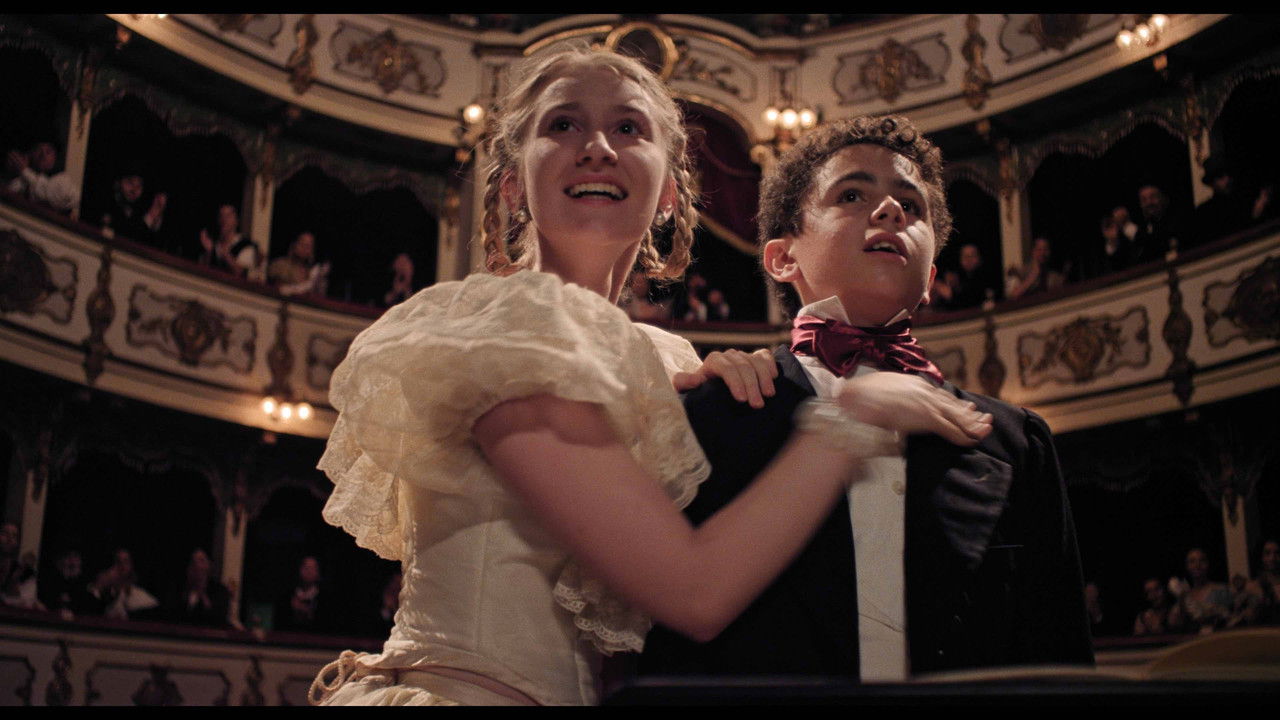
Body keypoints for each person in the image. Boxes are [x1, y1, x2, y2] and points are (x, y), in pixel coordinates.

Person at [308, 48, 990, 706]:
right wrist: (853, 414)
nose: (597, 147)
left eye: (629, 128)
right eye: (563, 124)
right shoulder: (501, 326)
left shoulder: (667, 361)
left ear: (668, 193)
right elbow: (694, 592)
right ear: (512, 181)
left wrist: (719, 394)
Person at [639, 114, 1093, 683]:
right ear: (783, 259)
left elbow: (1058, 662)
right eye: (852, 195)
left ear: (931, 274)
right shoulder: (714, 412)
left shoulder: (1015, 443)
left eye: (913, 205)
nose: (891, 210)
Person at [89, 171, 168, 247]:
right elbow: (124, 237)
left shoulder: (137, 209)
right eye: (130, 183)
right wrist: (149, 217)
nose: (134, 190)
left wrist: (155, 215)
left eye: (139, 186)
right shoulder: (106, 203)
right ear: (118, 183)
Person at [1168, 547, 1235, 634]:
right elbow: (1173, 623)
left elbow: (1227, 618)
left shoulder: (1221, 590)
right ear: (1187, 566)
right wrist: (1181, 598)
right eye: (1192, 561)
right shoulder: (1185, 594)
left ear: (1208, 564)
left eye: (1202, 560)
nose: (1197, 565)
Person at [5, 140, 80, 216]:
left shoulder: (63, 179)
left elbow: (48, 194)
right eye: (38, 150)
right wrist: (14, 173)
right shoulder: (24, 179)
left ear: (54, 157)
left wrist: (25, 171)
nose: (43, 155)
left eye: (48, 152)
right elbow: (8, 194)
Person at [163, 548, 231, 628]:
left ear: (209, 565)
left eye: (201, 561)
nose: (197, 565)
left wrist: (202, 594)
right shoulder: (179, 588)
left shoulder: (219, 591)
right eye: (193, 562)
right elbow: (169, 614)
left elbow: (219, 618)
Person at [89, 547, 160, 620]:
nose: (121, 566)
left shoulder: (141, 597)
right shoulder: (97, 590)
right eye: (118, 561)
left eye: (126, 562)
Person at [198, 204, 263, 280]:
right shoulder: (214, 244)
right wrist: (209, 252)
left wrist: (225, 254)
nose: (224, 220)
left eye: (228, 216)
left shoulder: (246, 245)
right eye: (221, 216)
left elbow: (240, 273)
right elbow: (203, 271)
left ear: (236, 221)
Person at [932, 242, 996, 309]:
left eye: (972, 255)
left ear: (980, 258)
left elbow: (970, 302)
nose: (968, 260)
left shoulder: (984, 278)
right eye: (965, 256)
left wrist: (949, 294)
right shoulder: (962, 276)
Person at [38, 548, 97, 619]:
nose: (72, 561)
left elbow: (88, 605)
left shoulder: (86, 584)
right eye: (68, 557)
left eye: (75, 557)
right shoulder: (53, 581)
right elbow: (48, 601)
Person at [268, 230, 330, 297]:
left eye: (308, 246)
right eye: (302, 243)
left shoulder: (312, 273)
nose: (304, 248)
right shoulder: (280, 264)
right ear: (294, 244)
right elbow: (278, 289)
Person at [1078, 211, 1132, 281]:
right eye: (1107, 227)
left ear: (1117, 227)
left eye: (1112, 226)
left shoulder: (1126, 244)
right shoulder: (1098, 252)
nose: (1110, 231)